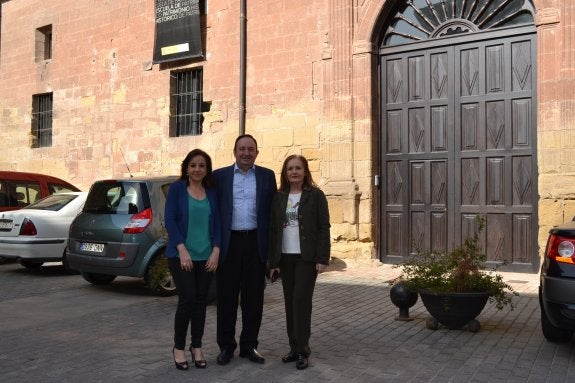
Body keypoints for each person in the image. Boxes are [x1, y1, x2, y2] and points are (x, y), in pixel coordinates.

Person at [212, 134, 277, 365]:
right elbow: (213, 212)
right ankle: (226, 347)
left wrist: (271, 256)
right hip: (230, 243)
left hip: (255, 243)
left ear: (257, 153)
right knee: (227, 299)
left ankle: (249, 346)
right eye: (242, 149)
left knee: (254, 300)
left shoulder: (267, 176)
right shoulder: (219, 176)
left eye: (251, 149)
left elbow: (272, 216)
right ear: (234, 152)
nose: (246, 153)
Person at [267, 154, 331, 370]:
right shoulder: (279, 198)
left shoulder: (315, 196)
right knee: (289, 303)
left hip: (306, 258)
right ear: (285, 173)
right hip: (285, 257)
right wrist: (273, 261)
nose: (294, 172)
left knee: (301, 302)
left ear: (305, 172)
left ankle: (303, 349)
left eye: (298, 168)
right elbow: (274, 231)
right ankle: (293, 348)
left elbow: (324, 228)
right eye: (290, 169)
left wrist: (323, 258)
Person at [164, 149, 221, 371]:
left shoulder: (212, 192)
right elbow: (170, 220)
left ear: (207, 170)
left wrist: (216, 250)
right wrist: (181, 249)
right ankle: (178, 347)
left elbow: (217, 223)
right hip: (181, 255)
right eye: (193, 165)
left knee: (200, 301)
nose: (197, 169)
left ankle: (196, 346)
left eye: (202, 166)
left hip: (206, 256)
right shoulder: (177, 189)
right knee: (187, 299)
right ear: (186, 168)